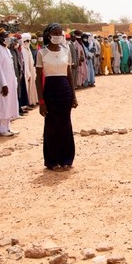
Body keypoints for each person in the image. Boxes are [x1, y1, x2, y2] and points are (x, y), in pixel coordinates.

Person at [36, 23, 78, 171]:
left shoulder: (66, 51)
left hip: (65, 91)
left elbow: (69, 75)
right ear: (49, 35)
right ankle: (52, 161)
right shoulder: (42, 53)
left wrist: (74, 96)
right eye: (55, 33)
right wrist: (41, 101)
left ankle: (67, 158)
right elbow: (38, 78)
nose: (58, 35)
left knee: (65, 124)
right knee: (51, 126)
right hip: (50, 92)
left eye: (60, 33)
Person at [0, 28, 19, 136]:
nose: (8, 39)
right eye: (5, 37)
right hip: (2, 84)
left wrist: (14, 81)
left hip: (10, 82)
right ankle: (2, 129)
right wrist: (4, 85)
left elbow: (10, 68)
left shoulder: (6, 49)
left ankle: (7, 127)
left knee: (9, 105)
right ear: (0, 38)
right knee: (2, 106)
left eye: (8, 36)